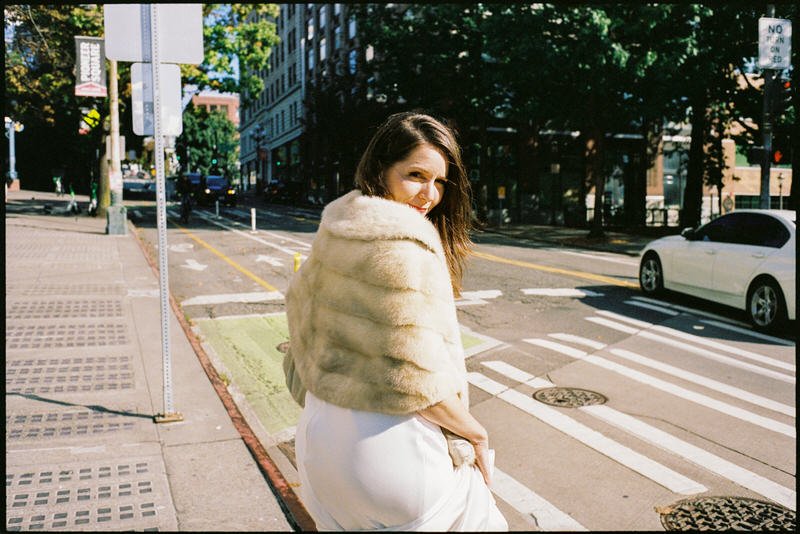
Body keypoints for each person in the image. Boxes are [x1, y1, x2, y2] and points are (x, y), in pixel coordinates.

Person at [283, 112, 508, 531]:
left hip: (320, 450)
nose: (429, 194)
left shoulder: (337, 229)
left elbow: (297, 345)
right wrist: (474, 433)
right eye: (416, 175)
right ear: (380, 172)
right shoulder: (404, 247)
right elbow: (418, 383)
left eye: (440, 181)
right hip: (394, 456)